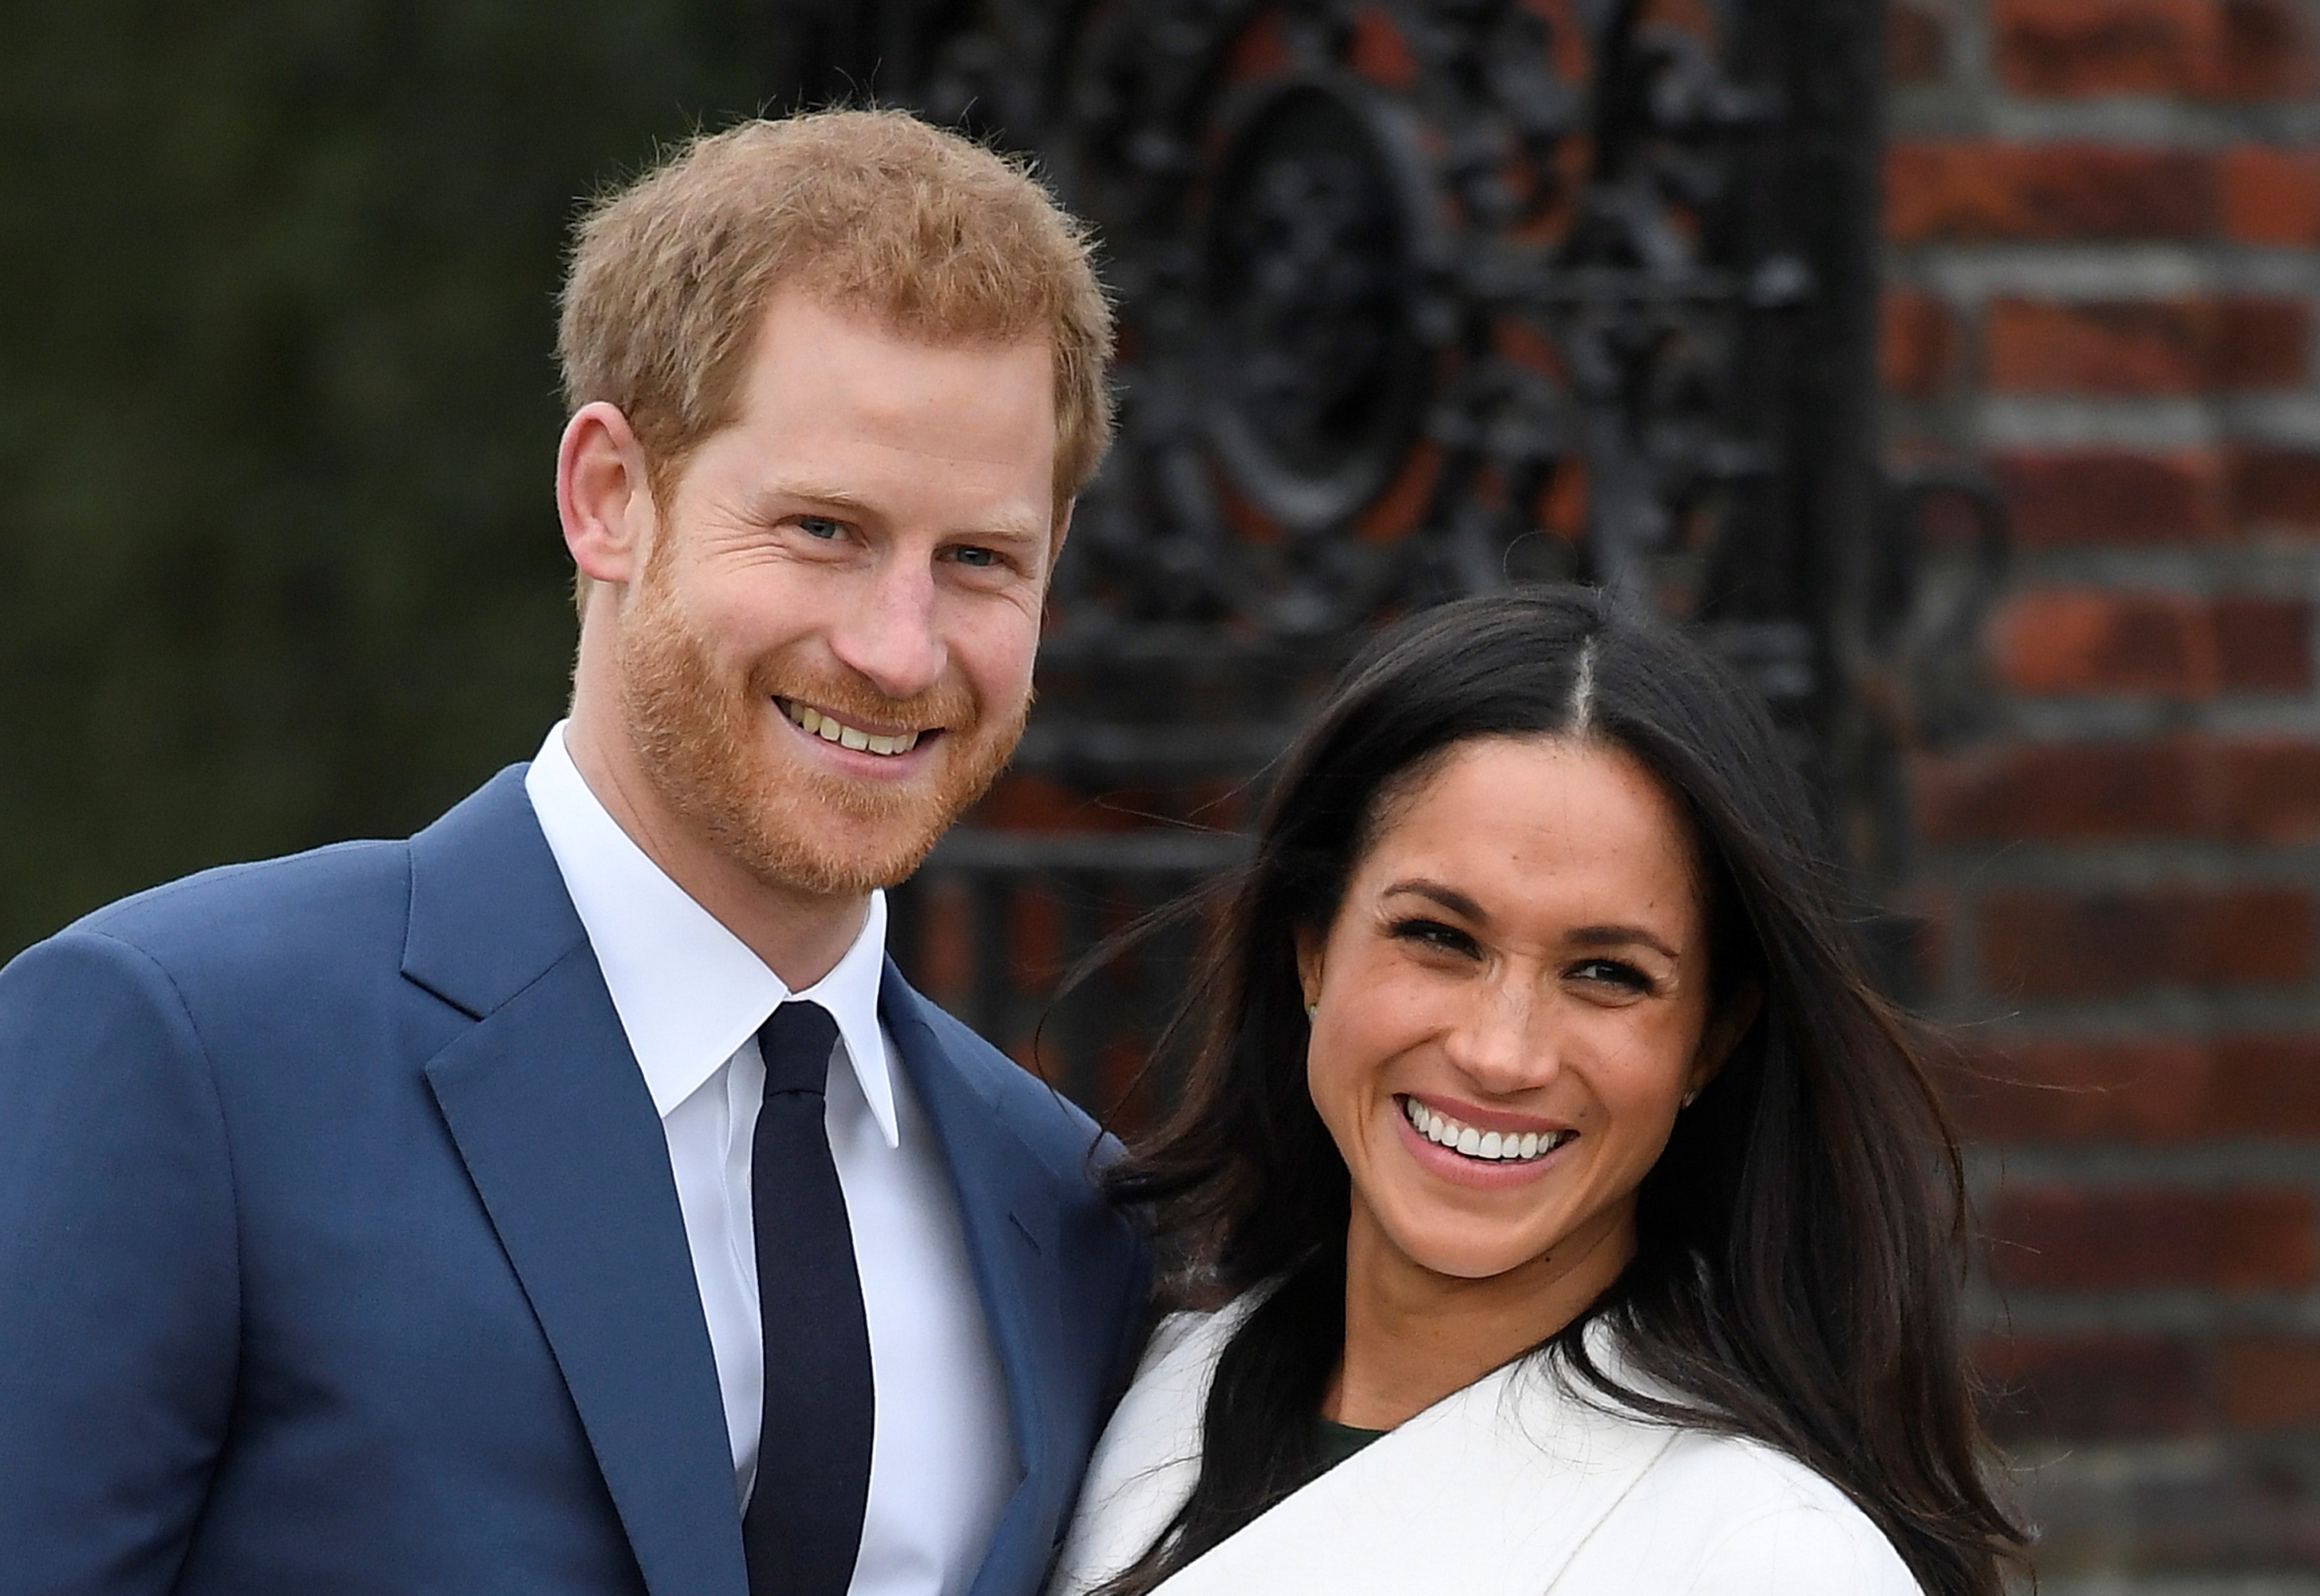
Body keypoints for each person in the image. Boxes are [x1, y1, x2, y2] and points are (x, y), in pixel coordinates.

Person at [0, 109, 1147, 1596]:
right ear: (607, 495)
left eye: (980, 560)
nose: (897, 646)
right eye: (822, 529)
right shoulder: (188, 1051)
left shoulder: (1067, 1209)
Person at [1049, 586, 2028, 1596]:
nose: (1500, 1051)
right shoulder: (1135, 1396)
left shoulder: (1766, 1556)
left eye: (1607, 972)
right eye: (1437, 935)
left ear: (1710, 1041)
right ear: (1311, 950)